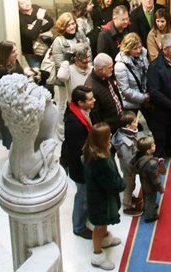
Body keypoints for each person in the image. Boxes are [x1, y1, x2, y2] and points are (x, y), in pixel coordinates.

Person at [82, 122, 125, 269]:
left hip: (101, 197)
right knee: (99, 225)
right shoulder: (98, 161)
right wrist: (122, 183)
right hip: (100, 200)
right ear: (102, 139)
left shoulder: (97, 152)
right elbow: (111, 183)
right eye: (108, 135)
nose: (111, 136)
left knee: (103, 222)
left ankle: (105, 239)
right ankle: (97, 254)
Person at [60, 85, 95, 241]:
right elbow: (79, 151)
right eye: (90, 99)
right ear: (80, 103)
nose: (94, 100)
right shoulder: (75, 123)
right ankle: (79, 227)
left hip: (81, 163)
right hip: (80, 167)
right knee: (83, 195)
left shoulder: (78, 112)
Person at [111, 110, 142, 215]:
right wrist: (133, 170)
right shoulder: (124, 142)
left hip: (130, 166)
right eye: (134, 121)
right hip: (129, 168)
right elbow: (128, 160)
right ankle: (127, 206)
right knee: (128, 186)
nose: (137, 122)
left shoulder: (126, 133)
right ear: (128, 126)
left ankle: (130, 198)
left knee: (131, 184)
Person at [114, 33, 151, 115]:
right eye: (135, 49)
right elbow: (125, 90)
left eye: (140, 47)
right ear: (128, 49)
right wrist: (143, 97)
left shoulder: (142, 56)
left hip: (144, 97)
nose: (138, 50)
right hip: (131, 104)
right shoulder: (120, 66)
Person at [87, 54, 125, 131]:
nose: (112, 69)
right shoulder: (92, 88)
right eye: (110, 67)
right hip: (109, 128)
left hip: (118, 121)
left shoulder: (106, 76)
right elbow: (96, 116)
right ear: (100, 70)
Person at [0, 40, 21, 148]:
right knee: (13, 139)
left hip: (19, 102)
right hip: (10, 107)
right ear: (6, 54)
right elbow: (10, 91)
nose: (16, 53)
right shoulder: (1, 71)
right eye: (13, 52)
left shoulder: (15, 62)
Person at [133, 136, 165, 223]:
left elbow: (148, 160)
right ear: (148, 151)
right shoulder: (152, 164)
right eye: (153, 145)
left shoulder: (140, 157)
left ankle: (146, 207)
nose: (155, 145)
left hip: (144, 182)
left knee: (146, 196)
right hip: (151, 186)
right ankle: (149, 216)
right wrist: (160, 188)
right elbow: (155, 179)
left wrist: (156, 160)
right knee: (151, 199)